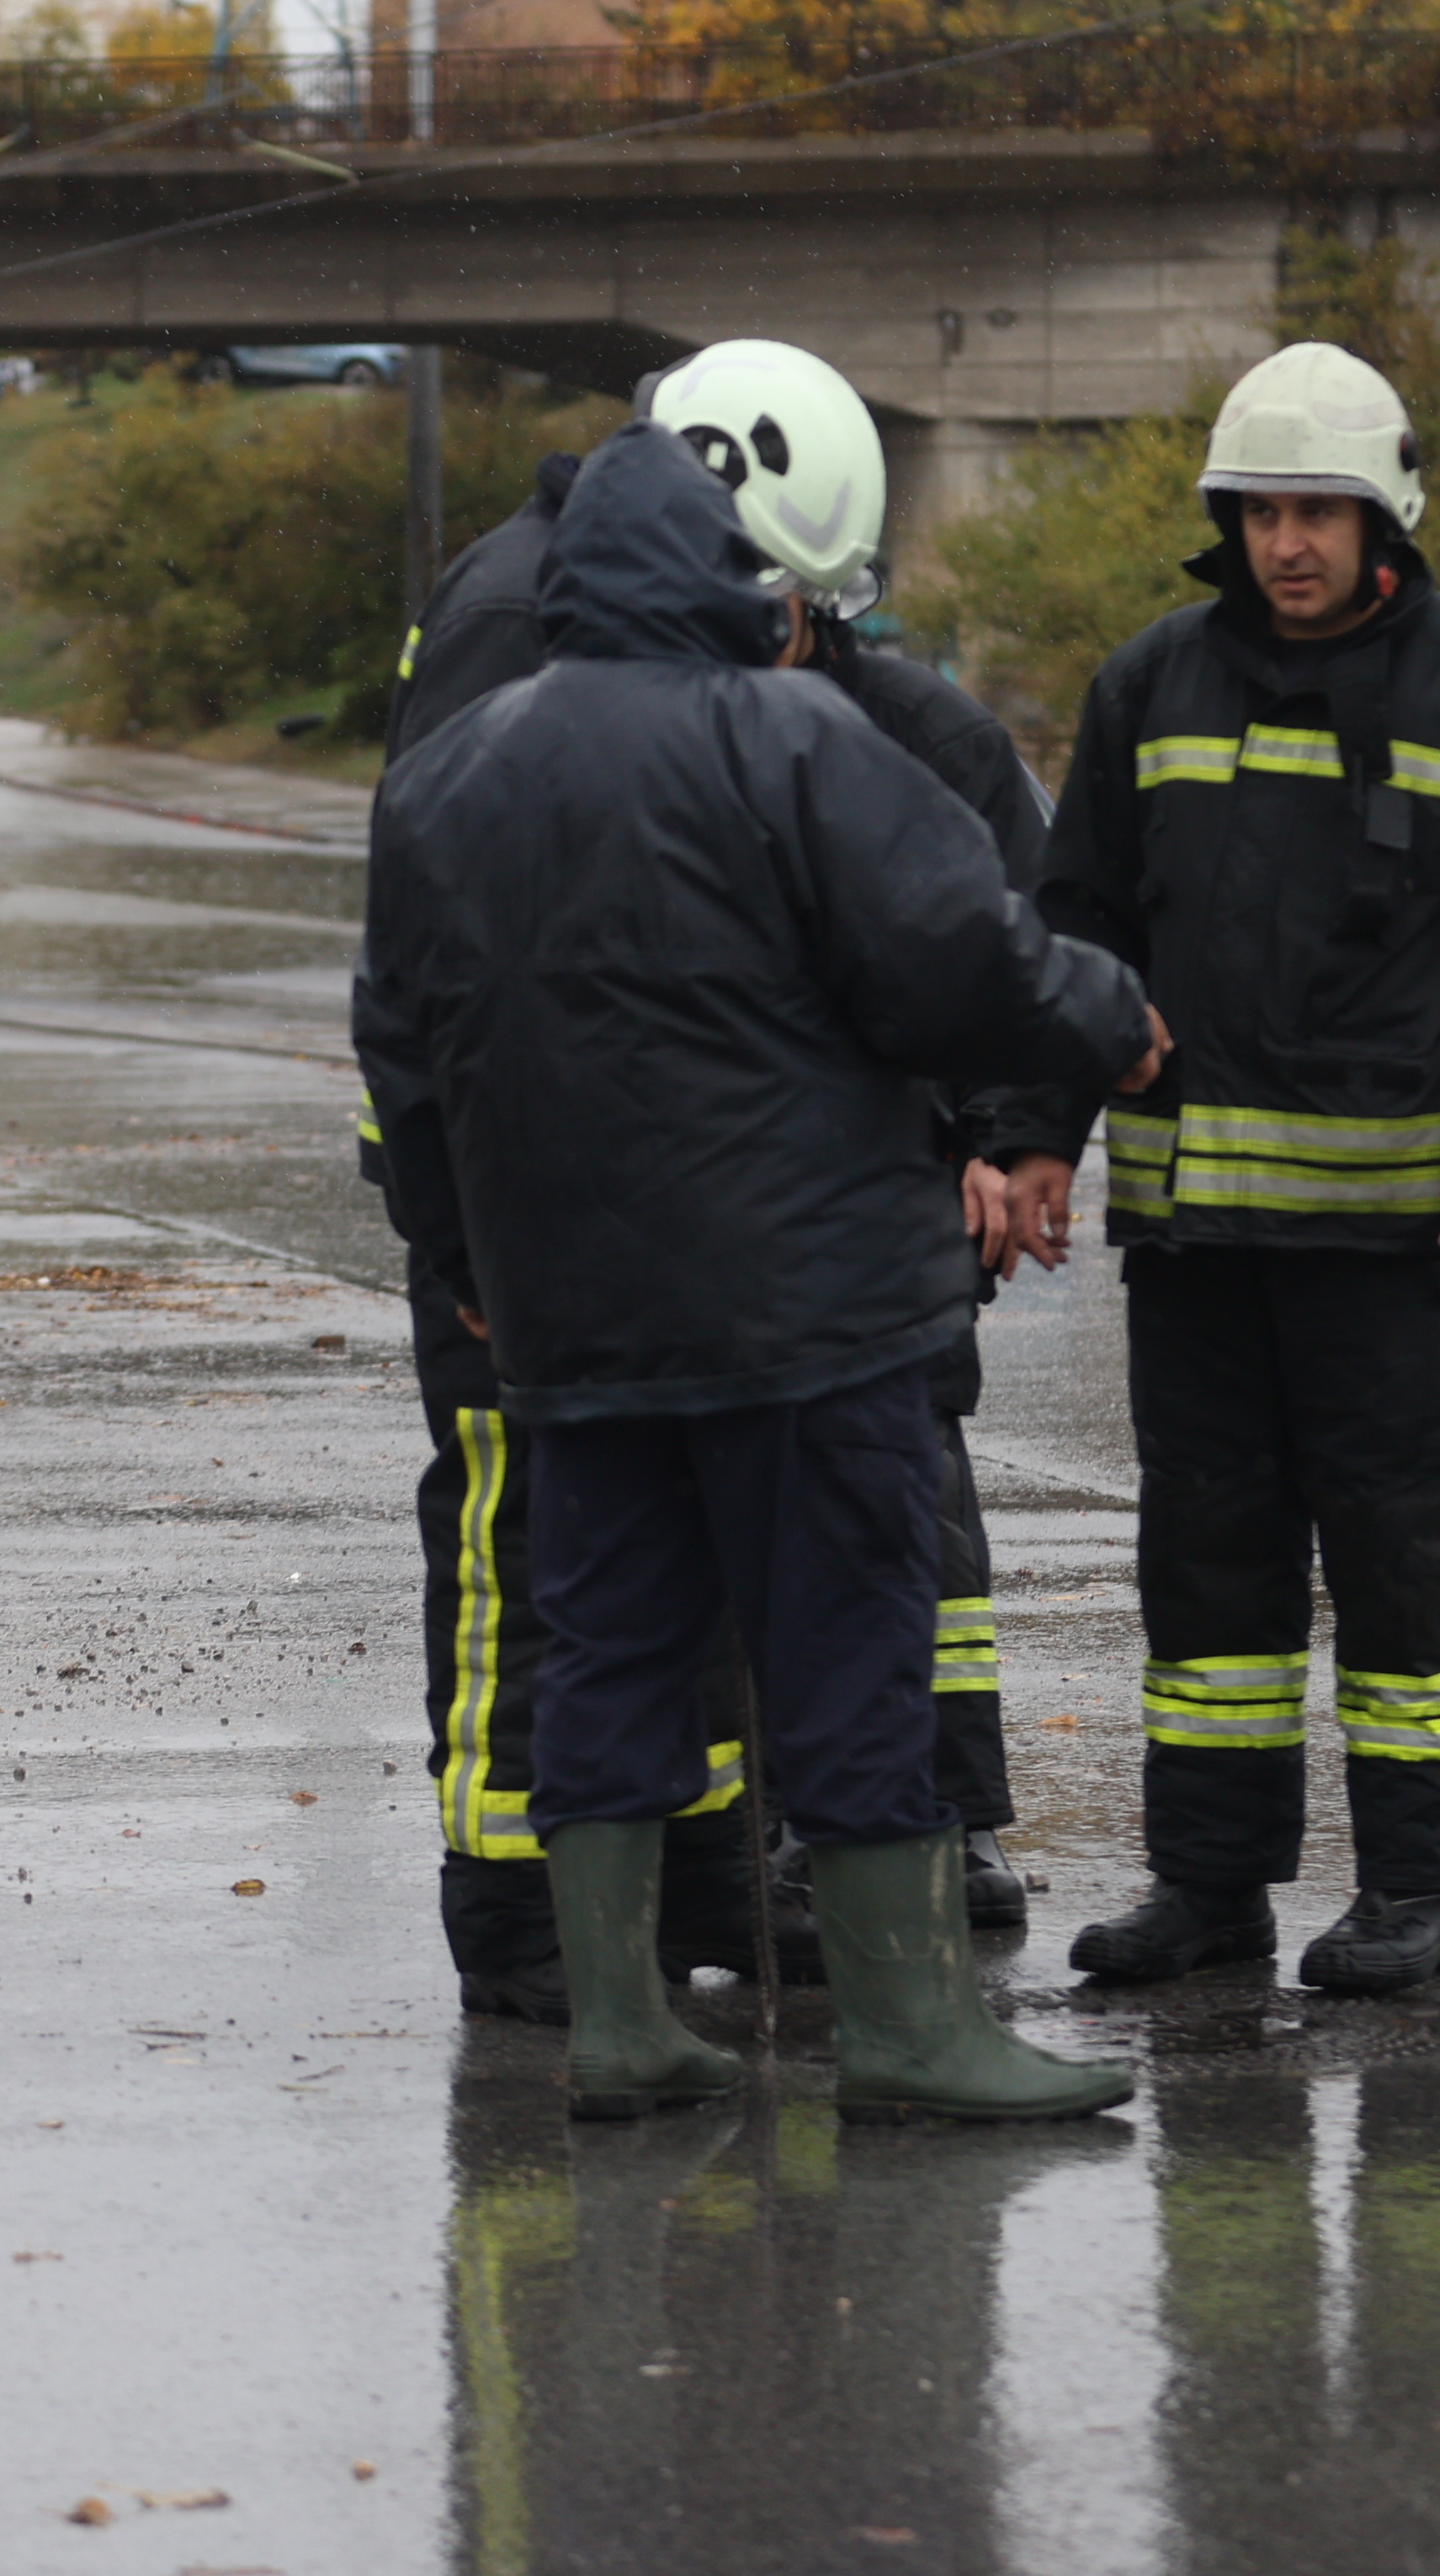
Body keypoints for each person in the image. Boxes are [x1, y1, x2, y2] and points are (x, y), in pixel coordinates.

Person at [358, 422, 1162, 2122]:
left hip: (575, 1318)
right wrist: (1108, 1015)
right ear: (731, 581)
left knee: (609, 1645)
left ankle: (620, 2019)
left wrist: (459, 1248)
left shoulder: (449, 773)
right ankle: (908, 2028)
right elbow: (964, 954)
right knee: (848, 1647)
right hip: (808, 1310)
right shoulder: (792, 735)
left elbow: (408, 1051)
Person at [986, 339, 1440, 2002]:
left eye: (1319, 508)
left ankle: (1420, 1891)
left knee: (1409, 1575)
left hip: (1412, 1253)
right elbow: (1079, 935)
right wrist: (1042, 1129)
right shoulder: (1149, 688)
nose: (1289, 541)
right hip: (1202, 1250)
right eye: (1262, 509)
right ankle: (1210, 1885)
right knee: (1209, 1579)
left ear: (1384, 511)